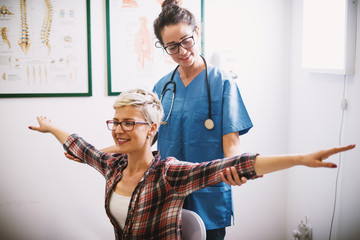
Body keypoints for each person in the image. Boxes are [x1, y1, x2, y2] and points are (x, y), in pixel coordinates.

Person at [29, 88, 355, 240]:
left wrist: (299, 160)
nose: (118, 129)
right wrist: (51, 127)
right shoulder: (113, 166)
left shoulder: (168, 173)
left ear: (152, 129)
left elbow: (240, 163)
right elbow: (81, 146)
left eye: (129, 122)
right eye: (115, 121)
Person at [152, 1, 253, 238]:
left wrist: (238, 168)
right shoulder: (162, 87)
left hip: (209, 193)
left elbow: (232, 143)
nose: (182, 51)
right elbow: (144, 137)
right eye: (172, 47)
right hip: (168, 193)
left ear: (198, 32)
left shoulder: (222, 82)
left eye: (186, 41)